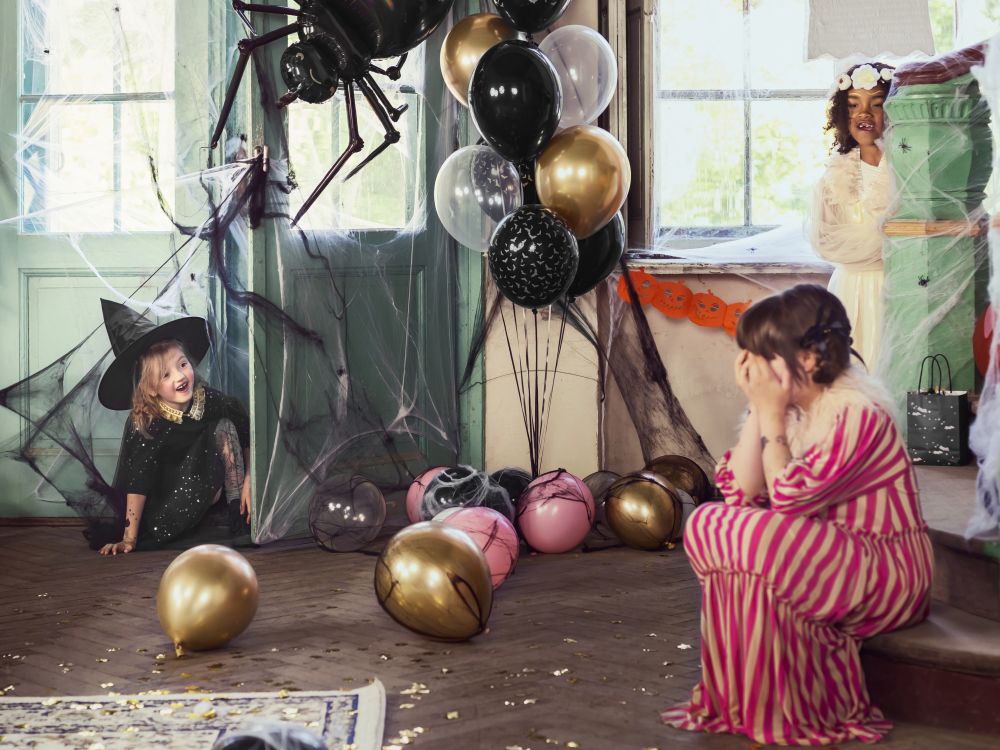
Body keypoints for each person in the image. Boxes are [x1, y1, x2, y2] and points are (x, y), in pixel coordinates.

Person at [661, 284, 932, 745]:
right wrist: (759, 409)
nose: (750, 370)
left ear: (807, 358)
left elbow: (789, 501)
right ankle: (746, 699)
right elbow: (741, 493)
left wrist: (769, 414)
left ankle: (794, 705)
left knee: (763, 537)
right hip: (816, 551)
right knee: (709, 521)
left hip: (883, 569)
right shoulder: (791, 409)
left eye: (761, 356)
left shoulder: (858, 414)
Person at [94, 298, 252, 555]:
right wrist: (129, 538)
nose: (180, 376)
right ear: (150, 388)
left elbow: (244, 429)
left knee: (224, 425)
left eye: (182, 364)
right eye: (165, 375)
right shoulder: (147, 422)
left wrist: (249, 481)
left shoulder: (208, 399)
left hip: (209, 491)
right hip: (169, 504)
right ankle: (188, 524)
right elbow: (138, 481)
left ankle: (238, 516)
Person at [811, 62, 895, 370]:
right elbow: (825, 240)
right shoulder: (833, 176)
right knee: (851, 370)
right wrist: (873, 246)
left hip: (893, 286)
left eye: (876, 104)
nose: (864, 114)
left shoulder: (904, 171)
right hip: (849, 287)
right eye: (853, 105)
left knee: (889, 366)